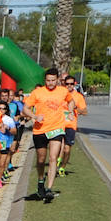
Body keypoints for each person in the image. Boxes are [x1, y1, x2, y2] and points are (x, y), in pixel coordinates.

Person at [22, 68, 73, 202]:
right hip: (40, 130)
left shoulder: (63, 91)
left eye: (53, 80)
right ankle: (40, 181)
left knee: (53, 158)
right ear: (45, 80)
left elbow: (71, 101)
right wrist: (34, 116)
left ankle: (49, 188)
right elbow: (25, 109)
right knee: (40, 159)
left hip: (57, 128)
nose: (50, 83)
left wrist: (71, 111)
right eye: (48, 80)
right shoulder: (37, 92)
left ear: (57, 80)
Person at [59, 76, 87, 176]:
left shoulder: (78, 96)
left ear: (74, 84)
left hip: (70, 125)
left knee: (67, 149)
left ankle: (62, 167)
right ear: (64, 84)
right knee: (56, 146)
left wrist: (75, 108)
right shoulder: (60, 94)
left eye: (71, 84)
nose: (69, 86)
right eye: (67, 84)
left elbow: (84, 111)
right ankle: (55, 164)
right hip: (58, 124)